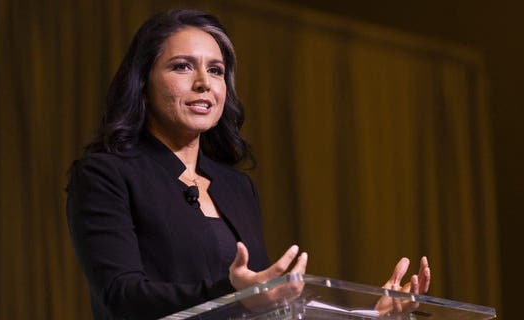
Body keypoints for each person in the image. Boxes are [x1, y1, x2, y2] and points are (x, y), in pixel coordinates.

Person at [66, 9, 429, 320]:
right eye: (181, 66)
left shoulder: (235, 187)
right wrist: (234, 291)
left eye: (216, 70)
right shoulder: (106, 175)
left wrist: (369, 315)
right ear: (143, 82)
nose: (203, 84)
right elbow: (120, 299)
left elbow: (267, 311)